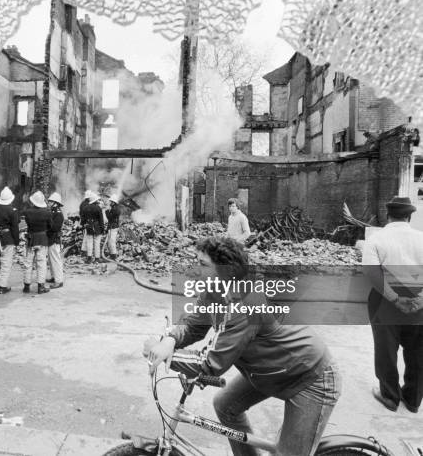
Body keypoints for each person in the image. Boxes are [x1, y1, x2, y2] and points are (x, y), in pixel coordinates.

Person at [144, 237, 341, 456]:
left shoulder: (244, 303)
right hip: (272, 372)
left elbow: (210, 364)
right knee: (225, 406)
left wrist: (166, 356)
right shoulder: (213, 291)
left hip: (310, 378)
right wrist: (170, 340)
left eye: (202, 264)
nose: (194, 269)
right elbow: (193, 324)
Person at [362, 196, 423, 414]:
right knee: (418, 351)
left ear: (388, 215)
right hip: (419, 302)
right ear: (409, 216)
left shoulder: (376, 239)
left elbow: (371, 272)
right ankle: (414, 399)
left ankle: (390, 396)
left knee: (386, 349)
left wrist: (395, 298)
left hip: (385, 302)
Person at [23, 191, 52, 294]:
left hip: (31, 239)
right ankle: (41, 287)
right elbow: (50, 226)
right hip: (43, 239)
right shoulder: (48, 213)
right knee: (41, 263)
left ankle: (26, 286)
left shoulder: (27, 212)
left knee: (28, 263)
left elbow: (27, 223)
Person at [46, 192, 65, 289]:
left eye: (50, 202)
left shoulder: (58, 214)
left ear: (55, 203)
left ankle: (59, 280)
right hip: (50, 239)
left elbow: (54, 228)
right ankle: (54, 277)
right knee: (51, 260)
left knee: (56, 260)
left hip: (54, 239)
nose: (48, 203)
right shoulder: (52, 212)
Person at [80, 192, 104, 263]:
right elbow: (101, 220)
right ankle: (97, 258)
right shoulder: (98, 208)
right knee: (97, 243)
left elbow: (83, 219)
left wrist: (83, 224)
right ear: (95, 200)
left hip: (89, 227)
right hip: (97, 227)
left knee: (89, 242)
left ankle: (89, 258)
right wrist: (102, 228)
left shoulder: (85, 208)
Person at [106, 194, 121, 260]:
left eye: (111, 202)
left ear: (113, 202)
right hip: (112, 226)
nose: (110, 203)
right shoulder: (115, 208)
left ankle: (114, 256)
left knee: (112, 241)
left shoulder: (115, 209)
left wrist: (107, 211)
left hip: (113, 227)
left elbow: (110, 218)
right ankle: (112, 254)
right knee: (110, 241)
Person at [79, 190, 92, 255]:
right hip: (87, 222)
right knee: (87, 236)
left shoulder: (82, 203)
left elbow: (80, 213)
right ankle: (84, 250)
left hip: (83, 221)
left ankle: (83, 250)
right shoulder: (88, 204)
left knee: (85, 236)